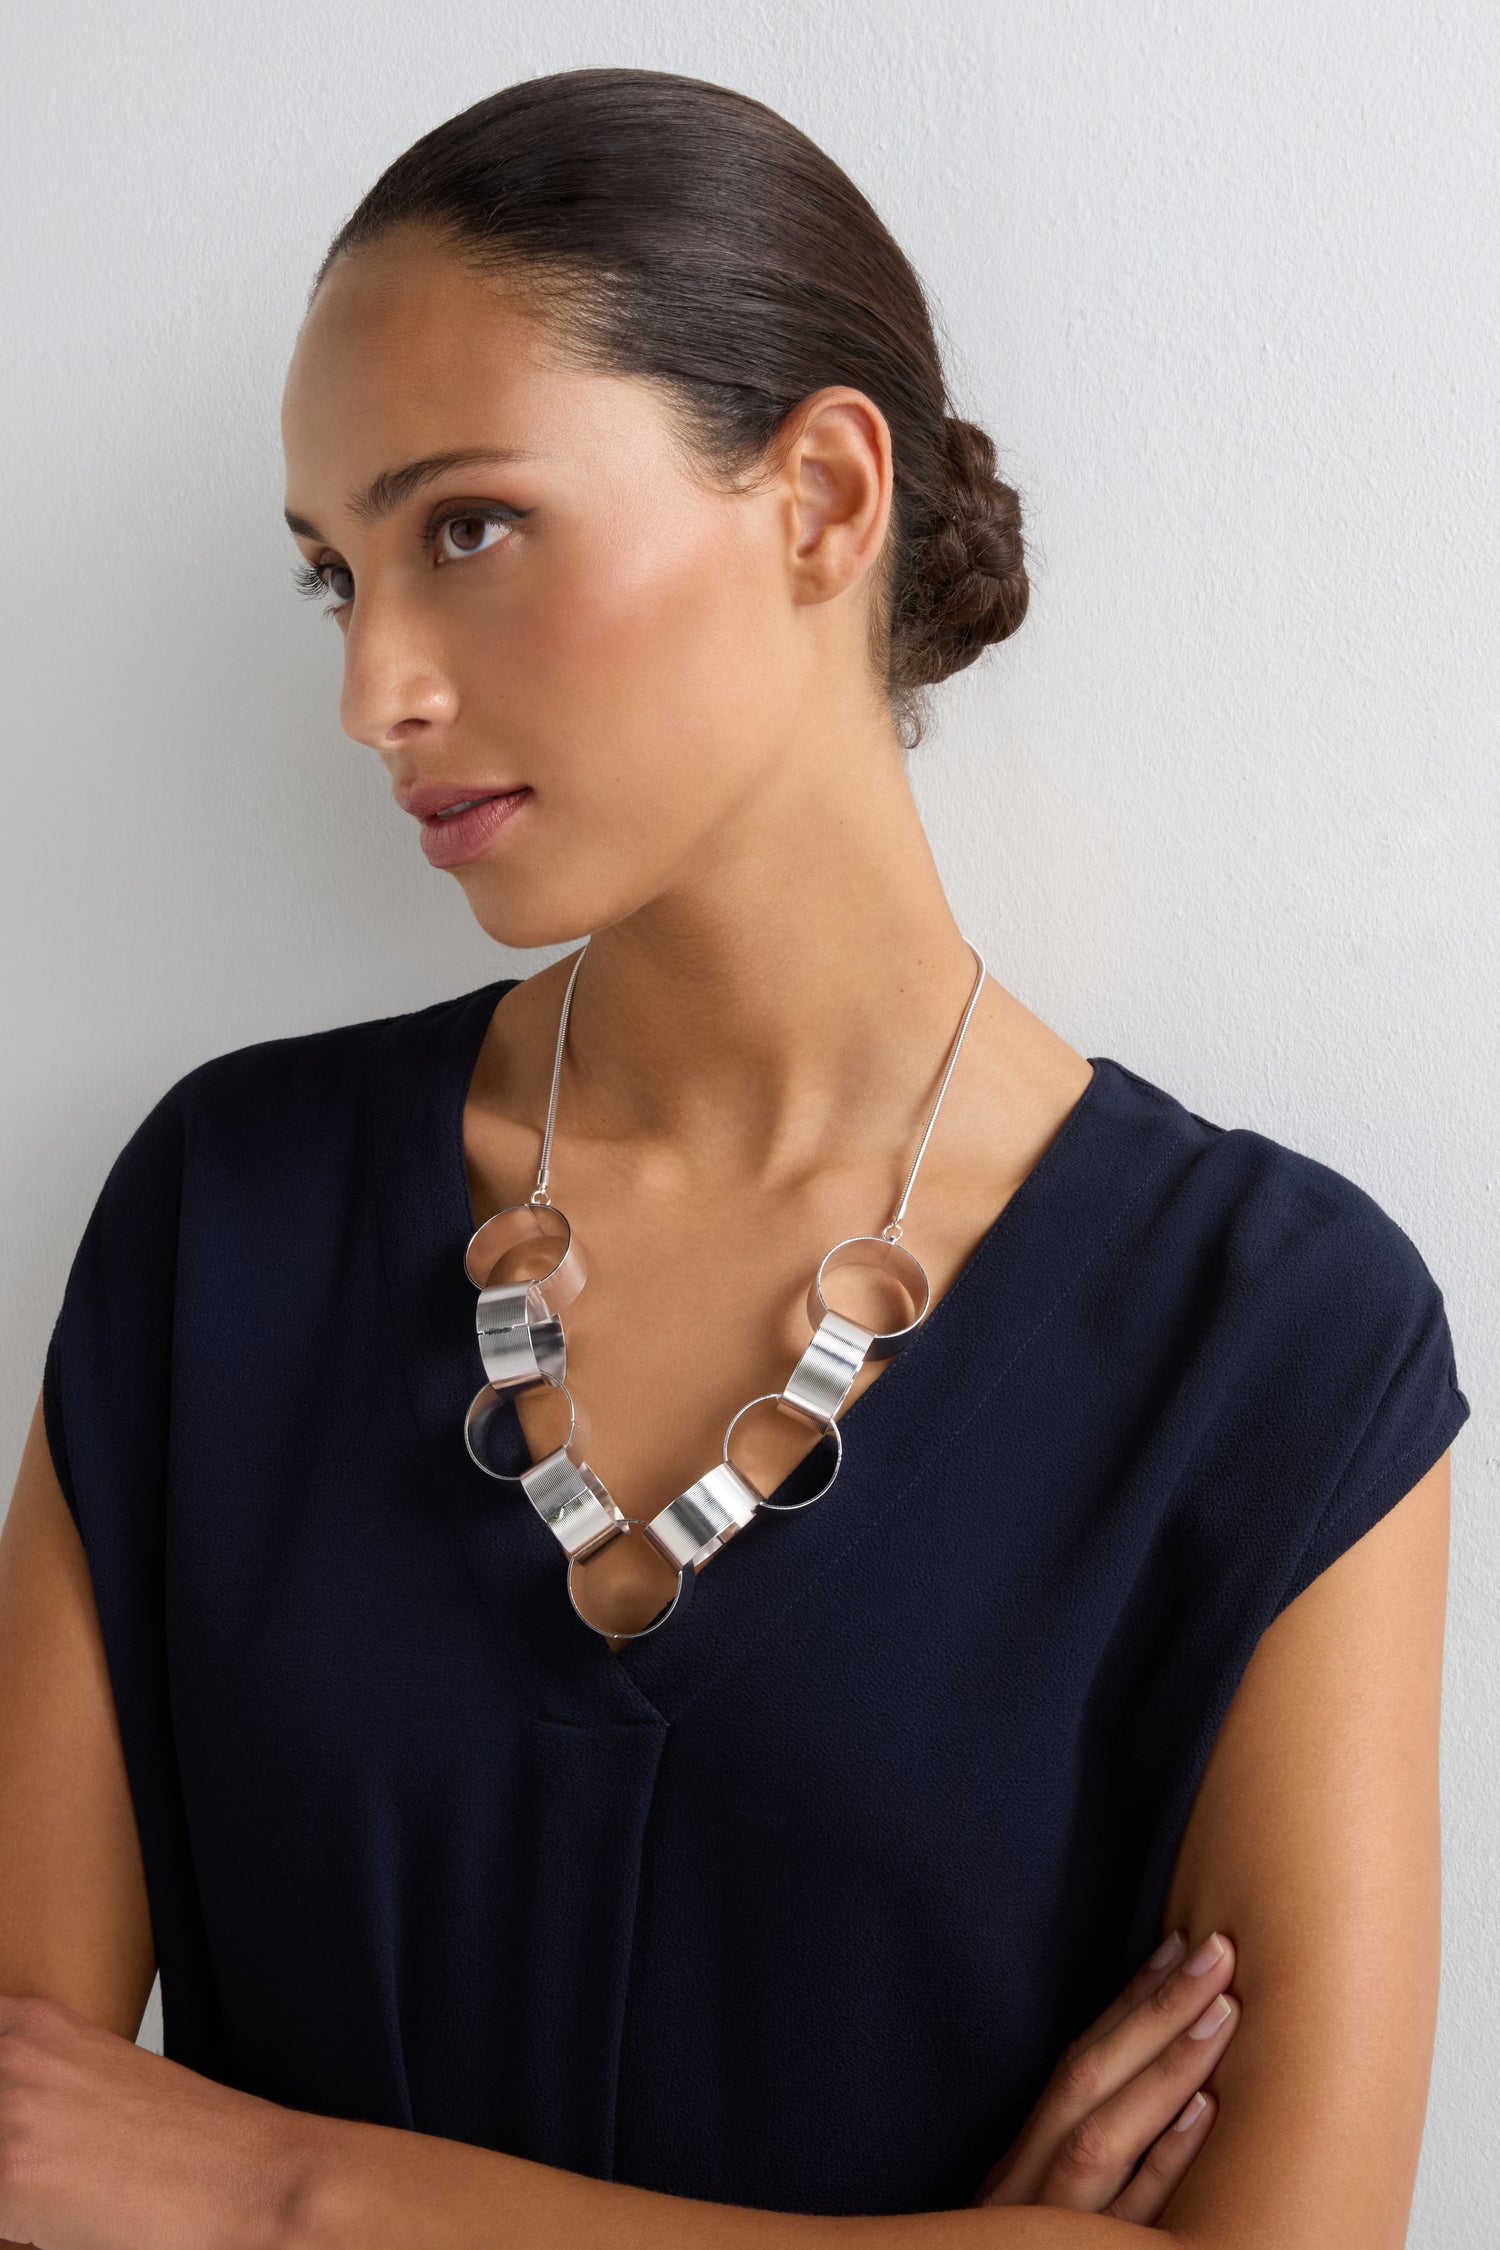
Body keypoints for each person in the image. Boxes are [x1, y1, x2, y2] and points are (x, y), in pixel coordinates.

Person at [0, 65, 1469, 2250]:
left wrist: (282, 2193)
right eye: (336, 578)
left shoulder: (1275, 1348)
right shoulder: (226, 1220)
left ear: (821, 498)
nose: (373, 688)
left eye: (467, 527)